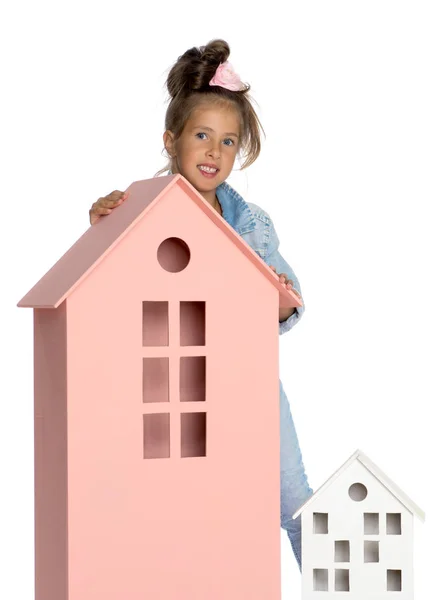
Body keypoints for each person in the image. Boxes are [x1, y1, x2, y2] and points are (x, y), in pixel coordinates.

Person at [89, 39, 313, 572]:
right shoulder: (140, 210)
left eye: (229, 142)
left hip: (248, 380)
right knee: (185, 502)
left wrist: (278, 295)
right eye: (202, 136)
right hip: (176, 387)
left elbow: (288, 310)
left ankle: (327, 583)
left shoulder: (251, 223)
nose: (215, 152)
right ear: (172, 141)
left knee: (292, 496)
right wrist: (103, 224)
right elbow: (108, 285)